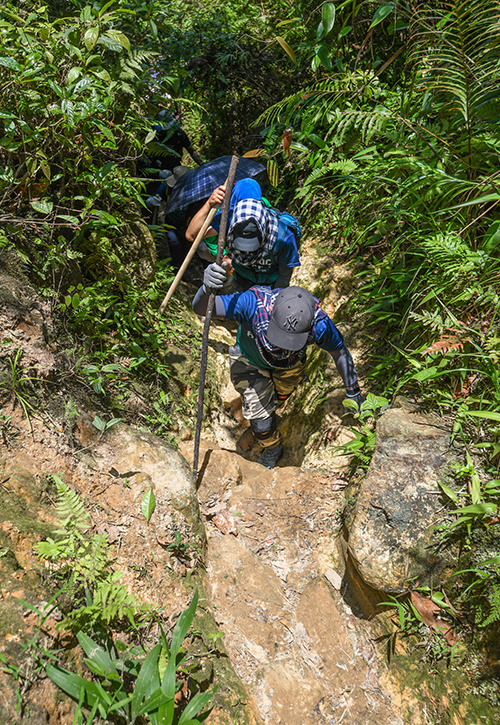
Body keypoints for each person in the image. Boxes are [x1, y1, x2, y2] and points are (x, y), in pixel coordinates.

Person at [192, 275, 365, 468]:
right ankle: (272, 446)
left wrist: (353, 392)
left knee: (278, 400)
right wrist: (206, 288)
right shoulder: (252, 303)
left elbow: (339, 352)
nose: (282, 347)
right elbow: (202, 308)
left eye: (291, 341)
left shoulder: (320, 325)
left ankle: (269, 409)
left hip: (289, 368)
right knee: (262, 425)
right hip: (249, 361)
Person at [186, 179, 300, 290]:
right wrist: (209, 203)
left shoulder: (284, 235)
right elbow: (192, 236)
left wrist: (274, 299)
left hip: (270, 283)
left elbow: (284, 275)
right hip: (243, 279)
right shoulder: (230, 217)